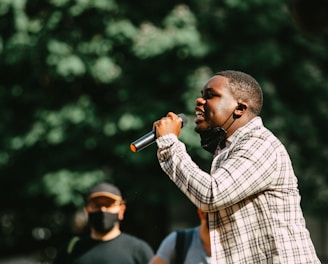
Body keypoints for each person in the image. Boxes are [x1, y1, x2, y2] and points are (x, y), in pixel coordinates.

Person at [152, 70, 321, 263]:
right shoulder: (227, 151)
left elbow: (211, 194)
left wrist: (168, 143)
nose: (199, 101)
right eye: (201, 95)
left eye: (210, 95)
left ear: (239, 108)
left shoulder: (260, 143)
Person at [53, 182, 154, 264]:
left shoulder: (139, 250)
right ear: (87, 210)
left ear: (121, 210)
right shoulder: (71, 250)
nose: (102, 209)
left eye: (108, 204)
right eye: (97, 205)